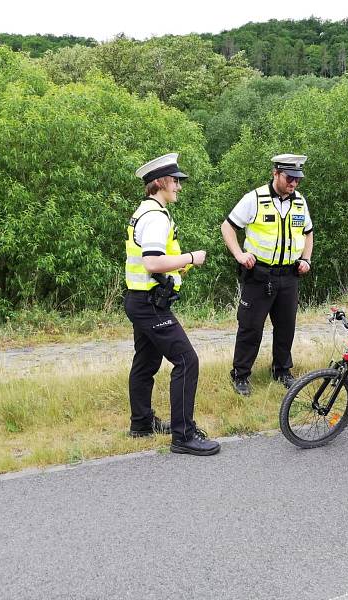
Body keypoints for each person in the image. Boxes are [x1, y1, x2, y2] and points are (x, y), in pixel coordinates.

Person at [124, 153, 220, 456]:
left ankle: (141, 424)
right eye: (175, 181)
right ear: (160, 183)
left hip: (141, 299)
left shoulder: (146, 211)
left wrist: (177, 266)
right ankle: (183, 435)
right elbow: (152, 261)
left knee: (146, 362)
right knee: (186, 361)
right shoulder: (155, 216)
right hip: (149, 303)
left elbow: (153, 260)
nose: (179, 186)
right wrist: (191, 258)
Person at [221, 154, 314, 396]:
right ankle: (240, 375)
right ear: (275, 173)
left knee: (286, 327)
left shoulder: (300, 202)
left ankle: (282, 371)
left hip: (289, 276)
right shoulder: (255, 198)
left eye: (297, 179)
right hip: (259, 275)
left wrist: (306, 259)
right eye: (289, 178)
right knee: (250, 327)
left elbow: (308, 232)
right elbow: (227, 226)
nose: (293, 183)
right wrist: (239, 254)